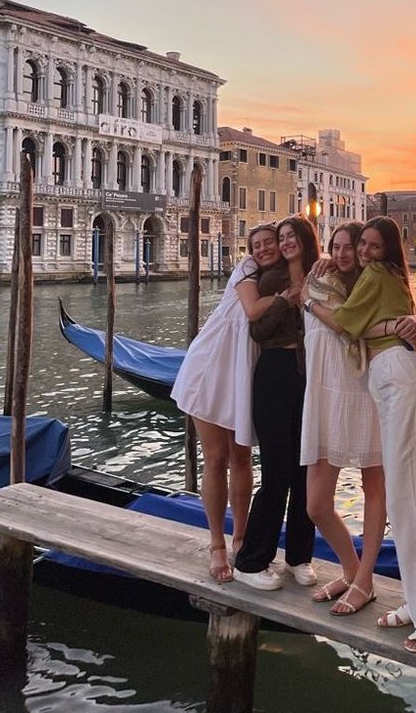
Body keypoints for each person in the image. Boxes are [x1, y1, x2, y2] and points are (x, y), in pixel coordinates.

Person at [303, 216, 416, 653]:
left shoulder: (374, 273)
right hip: (407, 381)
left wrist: (309, 303)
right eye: (365, 246)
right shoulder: (394, 277)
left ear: (386, 250)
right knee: (413, 499)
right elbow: (400, 331)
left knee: (406, 501)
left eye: (374, 246)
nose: (368, 253)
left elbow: (346, 325)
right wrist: (393, 327)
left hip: (399, 382)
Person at [171, 222, 281, 582]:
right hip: (214, 364)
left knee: (243, 456)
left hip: (246, 370)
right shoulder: (248, 269)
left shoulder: (282, 273)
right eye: (258, 244)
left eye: (270, 243)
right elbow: (251, 311)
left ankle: (242, 539)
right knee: (216, 457)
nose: (263, 249)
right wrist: (290, 295)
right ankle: (218, 544)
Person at [301, 222, 386, 616]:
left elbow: (351, 325)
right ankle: (351, 571)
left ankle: (365, 580)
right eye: (335, 246)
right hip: (323, 397)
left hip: (365, 393)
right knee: (316, 505)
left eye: (348, 246)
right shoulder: (320, 279)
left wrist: (307, 303)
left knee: (373, 488)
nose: (341, 253)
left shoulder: (373, 285)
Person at [234, 216, 320, 590]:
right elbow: (258, 329)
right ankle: (251, 561)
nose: (283, 244)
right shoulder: (272, 281)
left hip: (310, 378)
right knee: (275, 474)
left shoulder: (320, 276)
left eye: (288, 237)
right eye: (279, 238)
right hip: (274, 373)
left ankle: (300, 557)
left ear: (304, 239)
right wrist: (285, 304)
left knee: (306, 470)